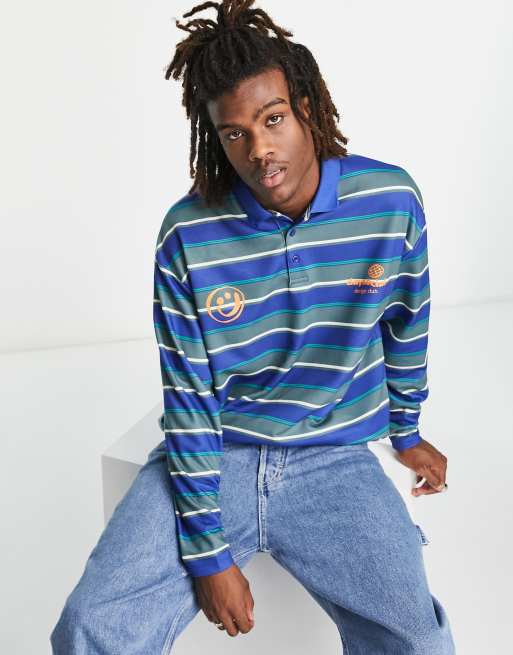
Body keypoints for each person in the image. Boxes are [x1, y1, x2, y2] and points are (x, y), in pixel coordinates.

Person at [50, 1, 456, 652]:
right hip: (220, 451)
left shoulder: (389, 202)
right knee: (90, 625)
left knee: (418, 641)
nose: (259, 149)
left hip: (335, 455)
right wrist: (209, 555)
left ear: (306, 109)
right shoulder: (187, 235)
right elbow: (188, 396)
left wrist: (405, 430)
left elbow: (408, 324)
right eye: (234, 133)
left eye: (272, 119)